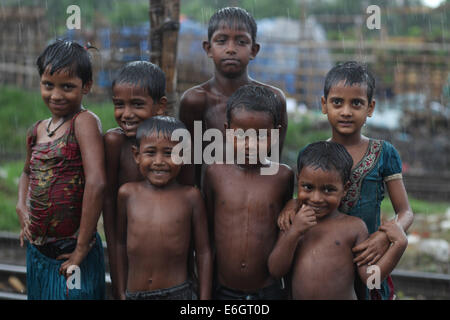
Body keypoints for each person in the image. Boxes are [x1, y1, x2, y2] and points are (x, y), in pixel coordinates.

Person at [278, 61, 414, 299]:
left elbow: (406, 212)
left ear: (370, 108)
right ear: (324, 104)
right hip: (323, 259)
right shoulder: (312, 154)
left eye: (357, 103)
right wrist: (292, 203)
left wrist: (385, 236)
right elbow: (306, 195)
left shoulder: (384, 152)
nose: (346, 111)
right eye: (337, 102)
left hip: (369, 255)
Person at [15, 39, 106, 299]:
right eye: (48, 85)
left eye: (68, 87)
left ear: (86, 86)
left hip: (73, 248)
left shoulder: (84, 122)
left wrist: (80, 249)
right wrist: (21, 206)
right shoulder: (36, 130)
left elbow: (97, 182)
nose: (56, 95)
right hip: (39, 250)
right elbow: (26, 173)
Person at [269, 141, 408, 300]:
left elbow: (370, 280)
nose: (316, 198)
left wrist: (399, 246)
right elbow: (275, 270)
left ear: (345, 188)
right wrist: (294, 233)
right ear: (298, 182)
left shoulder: (353, 227)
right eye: (308, 187)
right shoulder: (291, 220)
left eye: (328, 189)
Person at [179, 7, 287, 187]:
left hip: (260, 197)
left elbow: (273, 164)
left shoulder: (274, 100)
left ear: (254, 50)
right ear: (208, 48)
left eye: (241, 42)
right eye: (221, 41)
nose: (230, 49)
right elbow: (189, 168)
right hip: (211, 204)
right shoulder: (195, 100)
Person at [203, 85, 294, 300]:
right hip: (222, 291)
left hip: (268, 291)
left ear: (275, 133)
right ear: (227, 130)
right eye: (241, 135)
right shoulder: (215, 173)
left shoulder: (283, 177)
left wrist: (295, 203)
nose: (250, 144)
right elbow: (206, 234)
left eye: (260, 137)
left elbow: (288, 229)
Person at [116, 116, 212, 300]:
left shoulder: (191, 197)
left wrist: (204, 299)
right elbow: (120, 244)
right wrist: (120, 291)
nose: (159, 161)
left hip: (178, 293)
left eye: (169, 153)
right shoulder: (127, 194)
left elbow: (204, 251)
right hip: (135, 294)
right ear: (137, 155)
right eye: (150, 152)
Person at [103, 61, 167, 298]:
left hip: (168, 248)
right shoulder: (115, 143)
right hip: (128, 245)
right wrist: (119, 285)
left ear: (160, 107)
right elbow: (109, 212)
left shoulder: (175, 143)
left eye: (137, 104)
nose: (126, 114)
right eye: (119, 105)